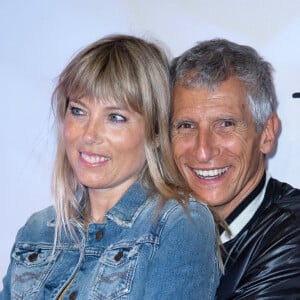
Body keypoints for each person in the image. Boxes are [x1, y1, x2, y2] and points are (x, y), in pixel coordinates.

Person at [0, 34, 220, 299]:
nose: (89, 135)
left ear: (155, 132)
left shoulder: (179, 224)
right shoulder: (38, 230)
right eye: (78, 111)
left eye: (115, 117)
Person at [170, 38, 300, 299]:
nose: (203, 151)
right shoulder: (159, 225)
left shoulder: (293, 232)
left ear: (266, 133)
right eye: (186, 126)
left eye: (226, 124)